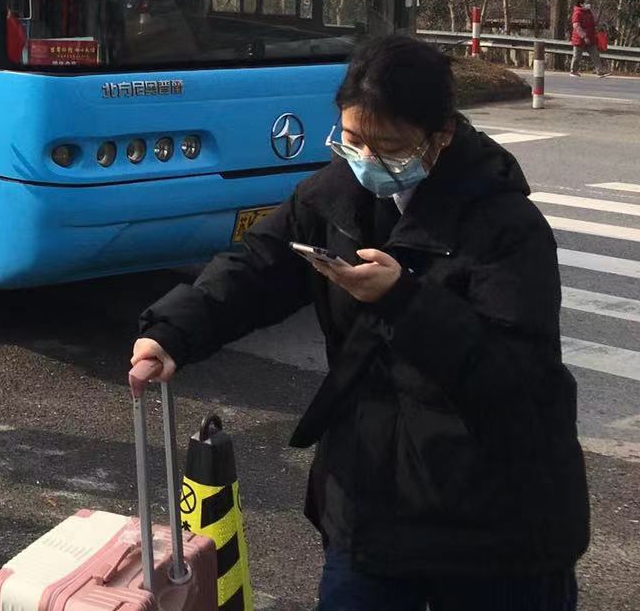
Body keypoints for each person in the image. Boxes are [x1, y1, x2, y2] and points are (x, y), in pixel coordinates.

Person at [128, 34, 587, 609]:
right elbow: (259, 267)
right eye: (351, 139)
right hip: (372, 504)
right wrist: (172, 331)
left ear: (440, 136)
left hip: (493, 522)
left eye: (389, 147)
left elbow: (515, 375)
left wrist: (403, 299)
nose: (367, 159)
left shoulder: (505, 226)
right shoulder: (334, 194)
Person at [569, 0, 604, 77]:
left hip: (591, 38)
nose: (589, 4)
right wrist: (584, 36)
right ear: (581, 4)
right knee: (577, 56)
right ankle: (573, 71)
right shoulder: (577, 13)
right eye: (586, 3)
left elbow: (592, 24)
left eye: (589, 2)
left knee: (595, 55)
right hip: (579, 39)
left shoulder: (588, 13)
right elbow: (576, 26)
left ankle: (599, 71)